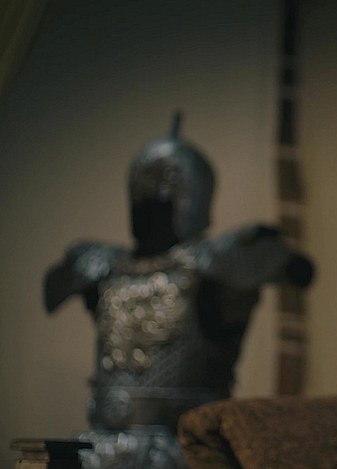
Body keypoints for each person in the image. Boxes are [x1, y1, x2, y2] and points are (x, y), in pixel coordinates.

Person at [44, 114, 313, 469]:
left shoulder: (215, 264)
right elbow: (51, 290)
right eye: (145, 203)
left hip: (186, 451)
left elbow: (299, 270)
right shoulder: (100, 266)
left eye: (158, 204)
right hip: (100, 445)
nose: (149, 212)